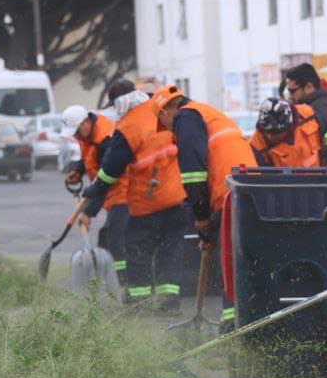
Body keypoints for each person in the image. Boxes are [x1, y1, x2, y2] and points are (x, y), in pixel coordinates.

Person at [151, 85, 257, 331]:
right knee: (239, 260)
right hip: (247, 188)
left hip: (229, 194)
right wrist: (208, 226)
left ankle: (232, 326)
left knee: (230, 262)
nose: (167, 128)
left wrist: (200, 217)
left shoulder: (185, 118)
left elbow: (193, 173)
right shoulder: (208, 113)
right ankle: (239, 321)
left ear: (167, 110)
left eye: (162, 121)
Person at [82, 81, 189, 312]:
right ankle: (169, 300)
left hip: (148, 201)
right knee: (170, 250)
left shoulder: (129, 125)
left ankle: (139, 301)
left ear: (121, 102)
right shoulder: (160, 113)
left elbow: (112, 168)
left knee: (138, 248)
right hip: (178, 197)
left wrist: (95, 189)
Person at [63, 105, 129, 285]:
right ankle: (107, 282)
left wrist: (88, 213)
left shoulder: (105, 140)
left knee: (116, 241)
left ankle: (125, 284)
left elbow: (105, 180)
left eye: (76, 131)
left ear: (85, 122)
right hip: (112, 195)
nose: (75, 136)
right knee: (106, 238)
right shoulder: (88, 134)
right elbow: (88, 158)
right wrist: (78, 171)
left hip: (125, 193)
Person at [249, 97, 320, 168]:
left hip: (317, 178)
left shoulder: (309, 115)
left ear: (288, 126)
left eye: (275, 132)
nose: (269, 136)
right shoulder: (256, 147)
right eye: (267, 131)